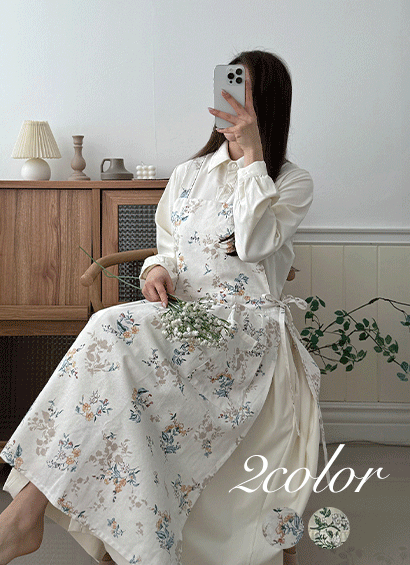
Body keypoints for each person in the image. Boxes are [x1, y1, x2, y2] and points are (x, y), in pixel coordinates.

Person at [0, 50, 325, 565]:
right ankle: (26, 516)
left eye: (246, 95)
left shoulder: (290, 181)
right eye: (228, 90)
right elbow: (168, 247)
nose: (232, 104)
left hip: (246, 333)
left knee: (109, 329)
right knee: (109, 343)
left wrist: (252, 159)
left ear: (269, 105)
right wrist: (155, 271)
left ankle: (21, 518)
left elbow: (255, 244)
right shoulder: (189, 173)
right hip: (183, 317)